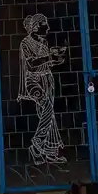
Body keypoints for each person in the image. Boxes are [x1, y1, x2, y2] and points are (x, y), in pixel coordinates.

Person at [18, 13, 67, 164]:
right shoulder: (25, 43)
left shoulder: (44, 42)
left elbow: (46, 63)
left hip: (47, 79)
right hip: (33, 80)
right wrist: (50, 58)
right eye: (45, 25)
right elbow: (32, 64)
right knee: (46, 108)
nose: (48, 28)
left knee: (48, 115)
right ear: (36, 26)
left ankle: (50, 153)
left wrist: (56, 61)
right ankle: (37, 143)